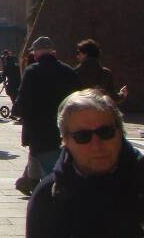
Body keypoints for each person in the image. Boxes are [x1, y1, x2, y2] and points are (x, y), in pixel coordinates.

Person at [26, 89, 144, 237]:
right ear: (65, 141)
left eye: (106, 132)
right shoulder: (49, 197)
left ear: (120, 133)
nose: (96, 146)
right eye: (82, 136)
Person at [13, 36, 81, 195]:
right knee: (44, 159)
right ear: (53, 52)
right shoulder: (68, 71)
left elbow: (24, 100)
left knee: (49, 169)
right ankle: (30, 182)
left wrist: (18, 111)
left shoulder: (32, 71)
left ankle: (48, 194)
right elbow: (78, 98)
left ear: (37, 53)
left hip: (39, 129)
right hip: (64, 127)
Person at [73, 38, 128, 103]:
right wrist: (122, 94)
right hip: (98, 108)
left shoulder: (74, 73)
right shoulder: (106, 73)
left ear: (85, 54)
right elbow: (113, 98)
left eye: (78, 53)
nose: (77, 56)